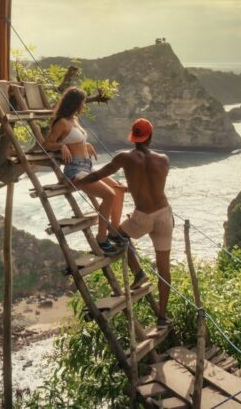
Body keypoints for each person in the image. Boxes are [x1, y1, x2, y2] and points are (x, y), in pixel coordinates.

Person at [79, 118, 173, 327]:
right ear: (150, 136)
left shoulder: (125, 157)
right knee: (164, 269)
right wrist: (131, 187)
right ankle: (162, 317)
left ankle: (139, 273)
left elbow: (99, 174)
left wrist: (79, 182)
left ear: (134, 137)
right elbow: (153, 186)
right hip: (165, 215)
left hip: (143, 217)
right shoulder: (164, 160)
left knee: (118, 235)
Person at [43, 87, 126, 255]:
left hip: (87, 167)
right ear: (76, 103)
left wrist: (84, 145)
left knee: (118, 189)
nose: (84, 106)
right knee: (109, 195)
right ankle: (101, 239)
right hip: (75, 171)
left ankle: (114, 231)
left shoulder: (74, 119)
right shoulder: (62, 122)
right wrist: (61, 146)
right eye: (82, 102)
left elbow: (75, 140)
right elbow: (46, 143)